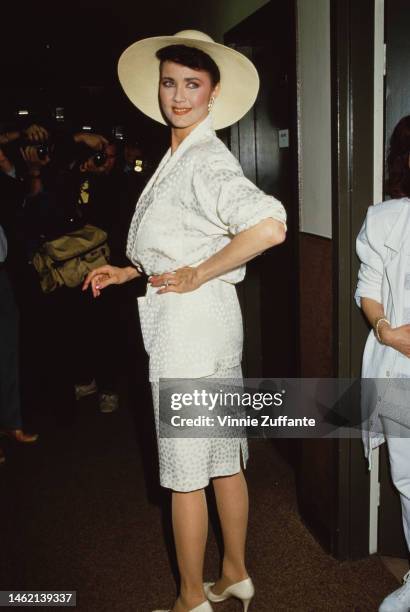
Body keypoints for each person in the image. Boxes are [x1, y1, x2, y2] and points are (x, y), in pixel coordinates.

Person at [84, 30, 286, 612]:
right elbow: (177, 241)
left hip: (190, 330)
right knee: (222, 458)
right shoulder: (181, 154)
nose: (178, 95)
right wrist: (130, 271)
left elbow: (269, 225)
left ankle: (190, 599)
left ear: (213, 92)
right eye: (170, 82)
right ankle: (236, 574)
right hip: (210, 322)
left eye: (192, 85)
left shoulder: (204, 159)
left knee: (185, 472)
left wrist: (199, 272)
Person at [355, 115, 410, 612]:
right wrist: (386, 330)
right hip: (400, 370)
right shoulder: (387, 219)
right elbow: (368, 288)